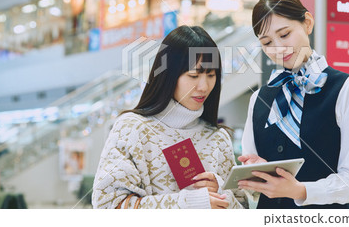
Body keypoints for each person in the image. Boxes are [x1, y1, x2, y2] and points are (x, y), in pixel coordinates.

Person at [238, 0, 349, 209]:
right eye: (267, 42)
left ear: (307, 23)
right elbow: (250, 185)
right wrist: (258, 173)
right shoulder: (258, 98)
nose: (278, 49)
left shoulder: (347, 89)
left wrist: (300, 190)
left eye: (285, 34)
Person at [92, 26, 246, 209]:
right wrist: (188, 205)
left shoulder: (218, 139)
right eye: (194, 75)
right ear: (169, 75)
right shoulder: (132, 129)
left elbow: (243, 210)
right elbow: (108, 205)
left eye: (211, 75)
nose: (204, 87)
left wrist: (221, 193)